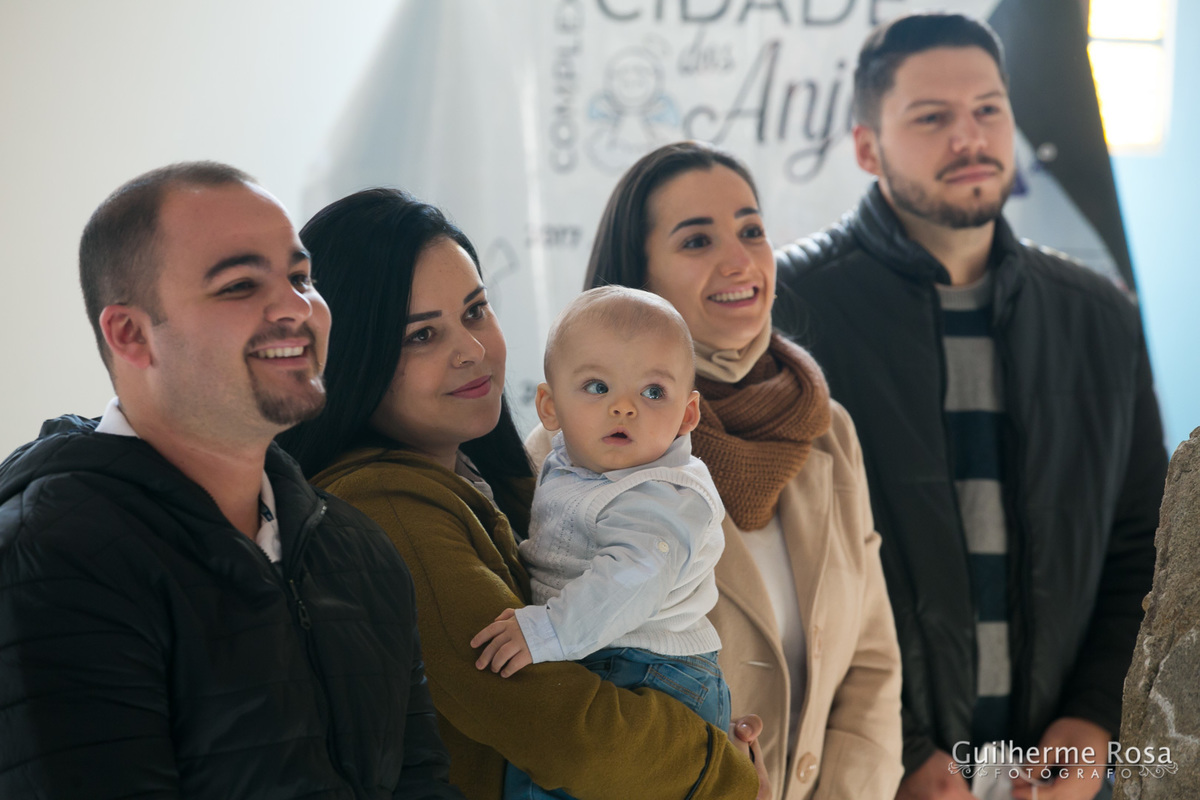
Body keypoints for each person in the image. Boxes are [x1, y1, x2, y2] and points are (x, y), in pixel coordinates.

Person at [772, 13, 1168, 800]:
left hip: (1055, 773)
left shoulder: (1100, 315)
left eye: (988, 109)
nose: (970, 136)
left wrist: (1094, 725)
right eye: (931, 117)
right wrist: (902, 751)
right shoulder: (789, 311)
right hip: (871, 774)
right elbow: (784, 565)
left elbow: (1143, 550)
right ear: (865, 146)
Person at [275, 188, 769, 800]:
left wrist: (710, 748)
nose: (472, 350)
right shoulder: (388, 508)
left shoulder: (508, 474)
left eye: (476, 310)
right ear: (355, 354)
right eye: (422, 336)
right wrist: (725, 774)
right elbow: (569, 732)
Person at [0, 163, 462, 798]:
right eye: (240, 285)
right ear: (130, 334)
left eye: (301, 278)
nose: (295, 308)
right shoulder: (53, 554)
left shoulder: (357, 550)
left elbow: (421, 782)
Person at [529, 140, 905, 800]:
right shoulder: (566, 453)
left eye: (752, 230)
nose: (740, 260)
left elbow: (872, 658)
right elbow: (553, 681)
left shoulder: (827, 427)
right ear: (637, 279)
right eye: (697, 241)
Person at [474, 286, 730, 799]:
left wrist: (545, 630)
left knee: (544, 777)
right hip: (605, 651)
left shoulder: (662, 493)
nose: (624, 408)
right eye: (596, 386)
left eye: (653, 392)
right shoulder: (572, 461)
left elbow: (632, 580)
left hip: (648, 670)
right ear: (549, 406)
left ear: (687, 416)